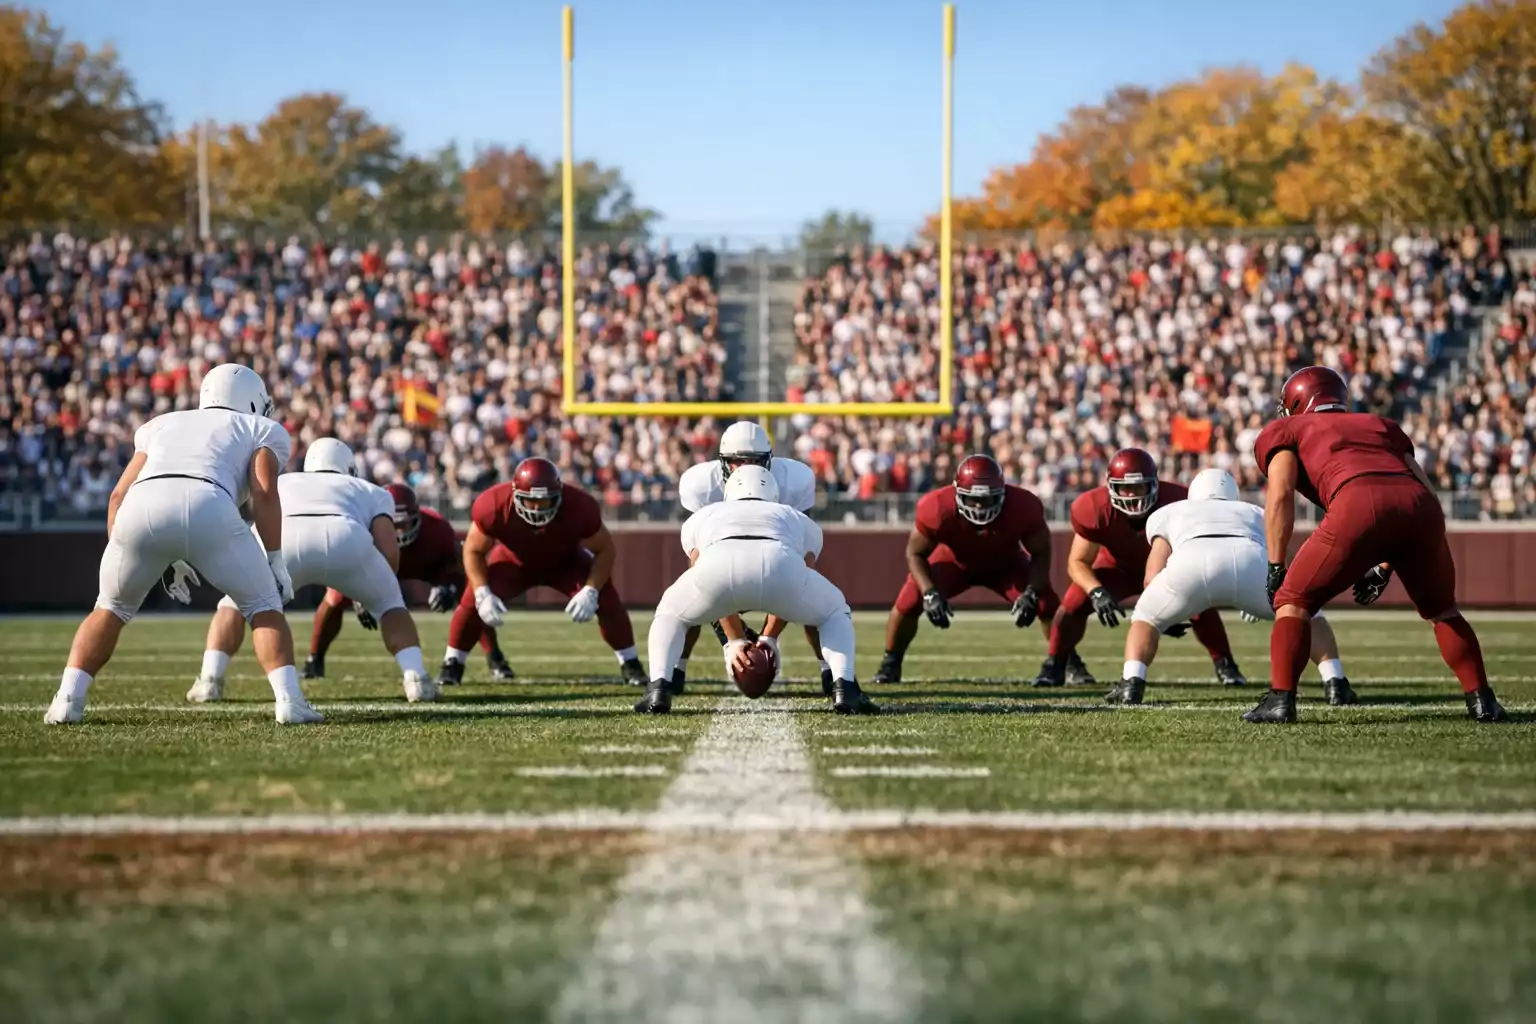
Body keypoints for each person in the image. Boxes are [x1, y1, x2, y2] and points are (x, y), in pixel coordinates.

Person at [45, 364, 320, 725]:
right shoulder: (259, 427)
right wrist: (275, 558)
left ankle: (67, 701)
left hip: (139, 508)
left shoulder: (162, 423)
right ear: (253, 400)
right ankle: (289, 702)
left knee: (109, 608)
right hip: (208, 500)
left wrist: (146, 552)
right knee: (263, 604)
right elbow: (264, 494)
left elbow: (117, 496)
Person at [1247, 366, 1505, 724]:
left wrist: (1276, 565)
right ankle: (1483, 701)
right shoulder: (1379, 425)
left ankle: (1280, 700)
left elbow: (1279, 496)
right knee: (1443, 610)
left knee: (1292, 601)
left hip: (1356, 501)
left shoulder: (1288, 429)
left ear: (1295, 402)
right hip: (1422, 511)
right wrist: (1386, 564)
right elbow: (1423, 490)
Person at [186, 438, 437, 705]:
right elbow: (388, 550)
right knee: (391, 605)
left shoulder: (284, 481)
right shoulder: (371, 491)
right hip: (346, 537)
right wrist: (375, 590)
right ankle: (417, 681)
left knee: (234, 605)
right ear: (349, 468)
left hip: (284, 538)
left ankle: (210, 680)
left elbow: (257, 507)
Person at [1104, 468, 1354, 706]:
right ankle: (1335, 682)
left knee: (1145, 617)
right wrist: (1273, 593)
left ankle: (1131, 684)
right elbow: (1288, 562)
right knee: (1307, 614)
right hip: (1251, 561)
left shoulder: (1172, 511)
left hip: (1190, 562)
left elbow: (1152, 575)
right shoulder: (1254, 511)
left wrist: (1162, 611)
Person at [636, 465, 872, 715]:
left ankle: (658, 689)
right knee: (834, 610)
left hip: (717, 565)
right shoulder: (794, 516)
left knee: (670, 613)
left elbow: (698, 569)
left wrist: (734, 640)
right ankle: (845, 688)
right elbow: (806, 571)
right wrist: (769, 637)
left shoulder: (705, 515)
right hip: (779, 564)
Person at [1034, 447, 1245, 689]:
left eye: (1139, 487)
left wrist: (1173, 607)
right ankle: (1056, 663)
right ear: (1111, 486)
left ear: (1154, 484)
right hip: (1117, 571)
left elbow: (1195, 552)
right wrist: (1097, 591)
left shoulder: (1180, 500)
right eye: (1125, 487)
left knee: (1200, 602)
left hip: (1166, 572)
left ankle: (1225, 664)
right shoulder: (1094, 507)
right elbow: (1077, 562)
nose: (1132, 495)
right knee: (1074, 602)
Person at [442, 457, 647, 686]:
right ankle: (453, 663)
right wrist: (482, 592)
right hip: (513, 563)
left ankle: (631, 664)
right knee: (471, 600)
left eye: (546, 501)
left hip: (566, 563)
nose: (538, 508)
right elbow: (472, 551)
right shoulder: (493, 504)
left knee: (606, 598)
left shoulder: (580, 506)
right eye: (530, 502)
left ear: (559, 493)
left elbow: (605, 550)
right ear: (515, 494)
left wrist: (591, 590)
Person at [302, 483, 516, 683]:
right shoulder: (360, 527)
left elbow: (459, 567)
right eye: (394, 525)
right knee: (334, 597)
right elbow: (347, 568)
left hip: (425, 566)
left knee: (471, 596)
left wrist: (447, 585)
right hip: (375, 567)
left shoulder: (436, 530)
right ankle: (315, 659)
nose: (400, 532)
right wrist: (359, 595)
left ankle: (495, 656)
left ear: (418, 517)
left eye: (405, 524)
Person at [873, 454, 1058, 684]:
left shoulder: (1023, 505)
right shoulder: (937, 507)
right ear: (957, 492)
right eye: (973, 499)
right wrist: (930, 592)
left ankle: (1064, 662)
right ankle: (890, 663)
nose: (980, 506)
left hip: (1006, 565)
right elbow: (915, 553)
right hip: (954, 563)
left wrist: (1031, 593)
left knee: (1046, 602)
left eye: (988, 499)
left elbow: (1041, 552)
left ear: (1003, 493)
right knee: (911, 597)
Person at [673, 420, 826, 694]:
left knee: (817, 601)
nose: (746, 469)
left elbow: (803, 560)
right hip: (721, 564)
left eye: (753, 460)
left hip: (776, 560)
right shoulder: (701, 485)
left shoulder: (793, 480)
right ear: (722, 462)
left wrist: (769, 636)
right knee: (686, 601)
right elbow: (699, 564)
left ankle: (831, 673)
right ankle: (674, 671)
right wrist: (731, 637)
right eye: (736, 462)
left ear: (769, 461)